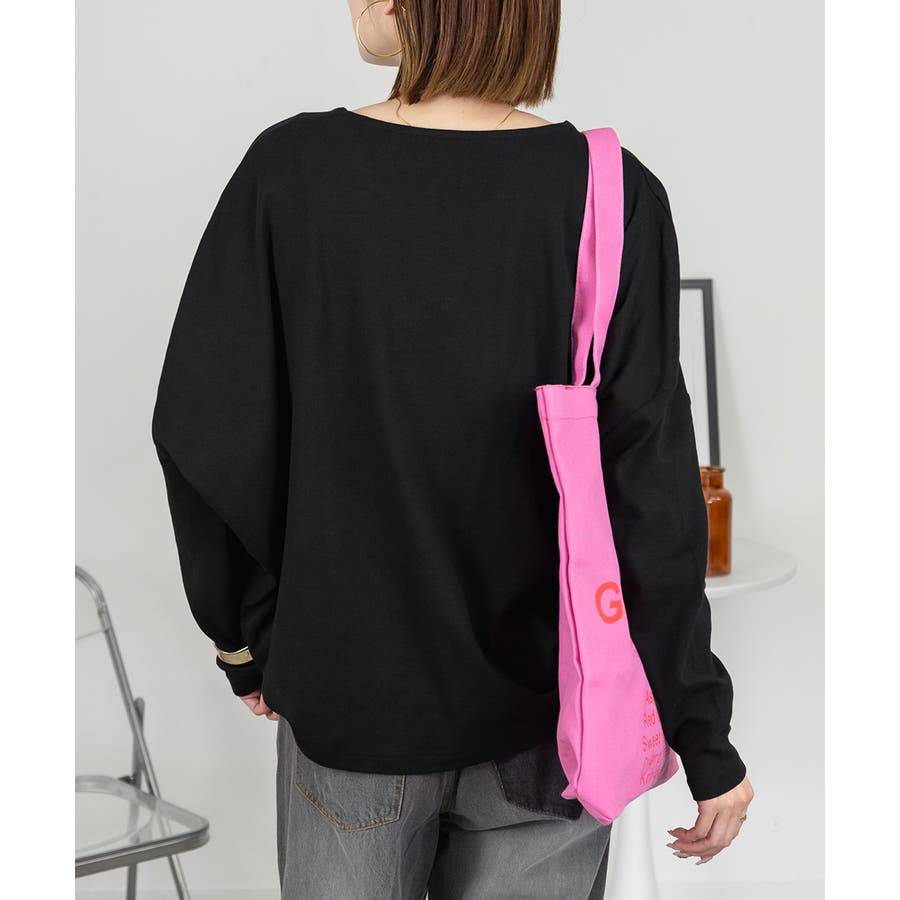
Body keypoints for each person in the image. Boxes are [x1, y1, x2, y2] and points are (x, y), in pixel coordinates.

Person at [150, 1, 755, 896]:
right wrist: (701, 730)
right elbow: (649, 488)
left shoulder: (292, 170)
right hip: (554, 723)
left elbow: (209, 431)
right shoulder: (611, 190)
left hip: (354, 703)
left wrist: (247, 639)